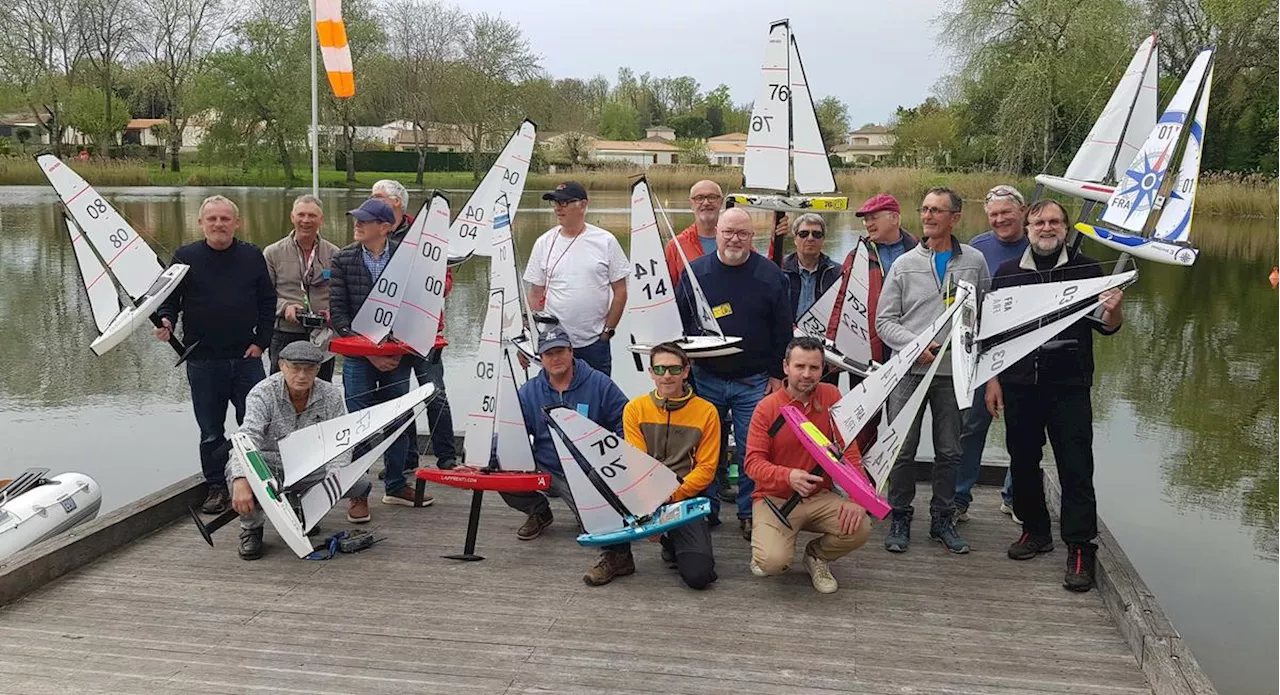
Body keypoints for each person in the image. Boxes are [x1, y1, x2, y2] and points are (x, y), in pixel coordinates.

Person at [986, 199, 1123, 592]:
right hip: (1019, 385)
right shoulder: (1007, 273)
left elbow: (1108, 326)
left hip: (1069, 386)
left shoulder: (1087, 269)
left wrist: (1115, 309)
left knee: (1076, 467)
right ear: (1027, 230)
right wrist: (993, 381)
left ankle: (1080, 546)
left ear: (1066, 228)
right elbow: (994, 334)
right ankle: (1035, 531)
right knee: (1023, 461)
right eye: (1039, 222)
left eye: (1054, 222)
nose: (1047, 228)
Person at [875, 187, 990, 554]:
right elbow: (884, 322)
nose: (928, 216)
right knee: (902, 451)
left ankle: (943, 518)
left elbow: (985, 318)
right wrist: (914, 345)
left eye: (937, 211)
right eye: (924, 209)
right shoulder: (904, 264)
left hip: (953, 375)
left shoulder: (975, 262)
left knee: (950, 451)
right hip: (908, 373)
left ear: (954, 218)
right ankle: (900, 515)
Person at [675, 207, 792, 540]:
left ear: (751, 237)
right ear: (717, 234)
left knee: (750, 450)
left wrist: (775, 375)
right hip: (705, 380)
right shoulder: (695, 272)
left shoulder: (770, 276)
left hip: (753, 381)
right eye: (728, 232)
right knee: (703, 450)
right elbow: (679, 325)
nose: (734, 239)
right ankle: (706, 510)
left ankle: (747, 511)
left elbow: (782, 331)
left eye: (742, 233)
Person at [155, 195, 274, 515]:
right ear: (201, 223)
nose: (219, 225)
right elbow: (168, 300)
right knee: (210, 431)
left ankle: (256, 482)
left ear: (237, 223)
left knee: (257, 425)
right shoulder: (185, 256)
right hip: (202, 359)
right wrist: (166, 321)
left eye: (225, 219)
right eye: (212, 219)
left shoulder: (252, 256)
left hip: (246, 358)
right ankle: (217, 487)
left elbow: (267, 302)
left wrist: (261, 342)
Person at [497, 326, 631, 586]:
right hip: (545, 466)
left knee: (595, 525)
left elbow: (626, 420)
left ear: (571, 352)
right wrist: (486, 460)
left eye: (560, 352)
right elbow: (510, 429)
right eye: (549, 354)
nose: (555, 358)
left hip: (585, 471)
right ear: (541, 358)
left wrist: (614, 459)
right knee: (501, 469)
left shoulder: (598, 382)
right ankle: (538, 511)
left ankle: (619, 556)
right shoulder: (530, 390)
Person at [745, 336, 872, 594]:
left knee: (860, 526)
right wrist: (787, 476)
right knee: (772, 563)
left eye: (814, 368)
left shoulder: (832, 395)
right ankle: (766, 546)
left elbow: (850, 453)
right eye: (800, 366)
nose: (806, 374)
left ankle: (817, 556)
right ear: (785, 367)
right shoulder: (766, 408)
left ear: (822, 369)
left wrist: (859, 497)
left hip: (819, 495)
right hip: (775, 498)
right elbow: (752, 464)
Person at [227, 341, 371, 560]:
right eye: (295, 368)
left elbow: (340, 442)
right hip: (267, 463)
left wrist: (335, 479)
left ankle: (303, 510)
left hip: (308, 463)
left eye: (309, 368)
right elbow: (247, 437)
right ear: (282, 365)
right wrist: (241, 478)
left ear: (318, 369)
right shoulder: (262, 393)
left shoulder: (331, 395)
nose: (302, 375)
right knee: (237, 474)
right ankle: (251, 528)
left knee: (359, 482)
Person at [328, 198, 429, 508]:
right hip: (359, 358)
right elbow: (339, 316)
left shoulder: (408, 259)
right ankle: (358, 494)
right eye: (356, 219)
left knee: (397, 420)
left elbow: (419, 310)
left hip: (398, 357)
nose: (357, 224)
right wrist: (370, 352)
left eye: (365, 220)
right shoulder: (342, 260)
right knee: (358, 423)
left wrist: (397, 350)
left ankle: (396, 485)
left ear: (385, 227)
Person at [371, 179, 458, 471]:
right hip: (388, 334)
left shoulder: (427, 232)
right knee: (397, 398)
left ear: (397, 203)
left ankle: (447, 457)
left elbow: (445, 281)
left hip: (425, 331)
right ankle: (403, 460)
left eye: (378, 197)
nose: (372, 202)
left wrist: (418, 286)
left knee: (435, 393)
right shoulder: (371, 231)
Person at [954, 185, 1028, 522]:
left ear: (1023, 211)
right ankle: (959, 498)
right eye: (994, 215)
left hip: (1028, 355)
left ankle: (1015, 497)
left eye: (1006, 213)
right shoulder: (977, 249)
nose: (1000, 220)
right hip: (983, 355)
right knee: (971, 429)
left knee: (1025, 431)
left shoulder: (1042, 243)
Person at [622, 343, 720, 590]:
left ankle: (671, 539)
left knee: (699, 576)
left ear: (686, 371)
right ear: (651, 372)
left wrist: (670, 496)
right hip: (644, 494)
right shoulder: (634, 409)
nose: (667, 375)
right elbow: (636, 464)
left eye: (674, 369)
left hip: (683, 497)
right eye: (660, 369)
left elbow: (706, 468)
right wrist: (649, 506)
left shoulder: (706, 411)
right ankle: (616, 557)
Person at [523, 181, 629, 376]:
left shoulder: (605, 241)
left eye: (564, 203)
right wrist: (527, 337)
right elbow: (535, 293)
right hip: (554, 342)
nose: (557, 208)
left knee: (597, 401)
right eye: (555, 203)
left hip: (594, 342)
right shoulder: (543, 243)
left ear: (582, 205)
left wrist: (607, 331)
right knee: (555, 401)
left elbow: (620, 291)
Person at [828, 193, 919, 367]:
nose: (868, 224)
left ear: (894, 218)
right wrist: (832, 342)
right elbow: (839, 300)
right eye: (866, 220)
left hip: (912, 345)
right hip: (866, 350)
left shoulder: (921, 251)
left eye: (874, 218)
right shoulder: (856, 256)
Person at [262, 194, 340, 381]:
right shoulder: (273, 253)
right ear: (292, 217)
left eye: (312, 216)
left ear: (321, 219)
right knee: (281, 388)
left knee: (322, 389)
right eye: (301, 215)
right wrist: (284, 307)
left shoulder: (335, 254)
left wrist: (333, 311)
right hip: (285, 333)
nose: (306, 220)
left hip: (322, 335)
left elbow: (340, 294)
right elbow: (264, 297)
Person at [663, 180, 789, 285]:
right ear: (691, 203)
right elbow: (669, 295)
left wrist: (775, 240)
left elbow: (765, 275)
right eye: (699, 198)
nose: (706, 203)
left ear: (721, 201)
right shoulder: (675, 247)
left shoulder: (737, 241)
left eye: (712, 197)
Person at [782, 213, 841, 321]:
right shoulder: (780, 270)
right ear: (795, 239)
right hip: (788, 334)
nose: (810, 238)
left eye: (816, 234)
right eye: (803, 234)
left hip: (823, 335)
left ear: (823, 239)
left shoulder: (838, 273)